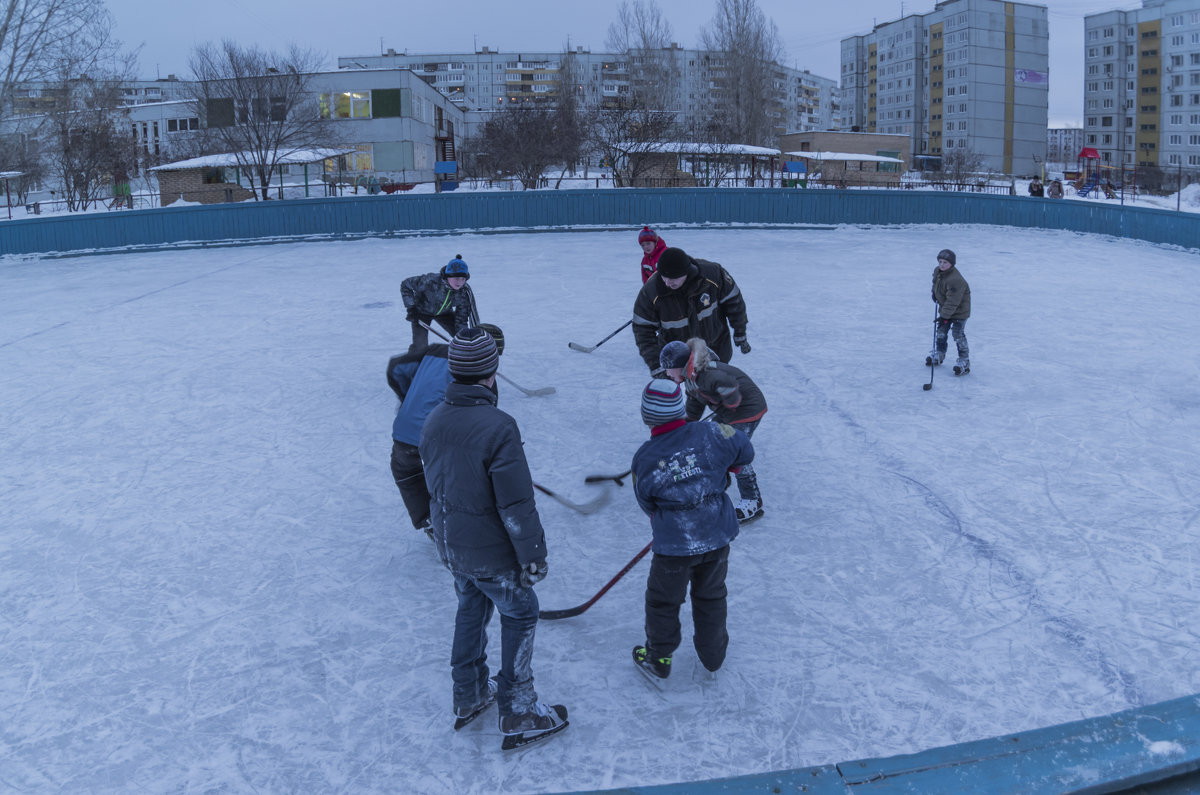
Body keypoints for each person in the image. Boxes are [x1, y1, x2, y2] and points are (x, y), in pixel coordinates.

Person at [419, 326, 568, 748]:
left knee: (471, 606)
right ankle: (518, 708)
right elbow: (516, 505)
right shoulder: (499, 426)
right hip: (490, 553)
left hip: (453, 546)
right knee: (521, 611)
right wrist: (532, 555)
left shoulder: (434, 418)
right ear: (493, 371)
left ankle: (468, 695)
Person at [630, 378, 754, 682]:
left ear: (646, 417)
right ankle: (714, 656)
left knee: (663, 601)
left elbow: (646, 501)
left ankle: (659, 657)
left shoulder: (645, 458)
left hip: (674, 546)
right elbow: (745, 449)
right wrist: (728, 470)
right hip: (716, 534)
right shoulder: (714, 431)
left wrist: (663, 518)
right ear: (682, 409)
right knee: (711, 596)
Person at [387, 324, 504, 538]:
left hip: (404, 435)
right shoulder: (487, 386)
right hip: (441, 440)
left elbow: (396, 368)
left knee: (407, 472)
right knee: (456, 478)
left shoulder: (433, 352)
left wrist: (408, 399)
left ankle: (429, 521)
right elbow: (483, 425)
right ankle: (462, 525)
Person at [659, 339, 767, 523]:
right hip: (729, 412)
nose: (667, 373)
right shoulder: (691, 377)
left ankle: (752, 500)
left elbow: (726, 383)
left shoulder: (706, 374)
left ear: (679, 366)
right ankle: (716, 481)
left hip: (746, 410)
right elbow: (694, 401)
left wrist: (730, 401)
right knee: (708, 440)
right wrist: (688, 424)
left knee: (734, 451)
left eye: (669, 369)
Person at [632, 246, 749, 375]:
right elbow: (642, 330)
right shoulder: (651, 292)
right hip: (679, 359)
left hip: (717, 350)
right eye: (663, 277)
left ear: (686, 273)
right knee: (692, 391)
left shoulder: (713, 275)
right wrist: (655, 365)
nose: (666, 283)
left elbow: (734, 302)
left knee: (716, 387)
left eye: (672, 278)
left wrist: (740, 331)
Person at [401, 255, 480, 351]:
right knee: (420, 346)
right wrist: (411, 308)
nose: (460, 282)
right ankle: (414, 359)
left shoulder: (463, 292)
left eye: (463, 279)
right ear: (448, 276)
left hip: (444, 313)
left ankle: (463, 357)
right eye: (456, 278)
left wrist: (463, 340)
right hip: (421, 312)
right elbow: (406, 284)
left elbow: (461, 318)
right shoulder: (430, 281)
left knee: (463, 338)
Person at [928, 248, 971, 376]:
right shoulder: (937, 271)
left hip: (959, 311)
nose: (941, 265)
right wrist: (934, 293)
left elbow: (953, 301)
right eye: (940, 261)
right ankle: (939, 354)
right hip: (946, 308)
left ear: (952, 263)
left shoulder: (956, 280)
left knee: (958, 334)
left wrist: (943, 316)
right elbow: (936, 283)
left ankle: (964, 361)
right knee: (941, 332)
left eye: (945, 262)